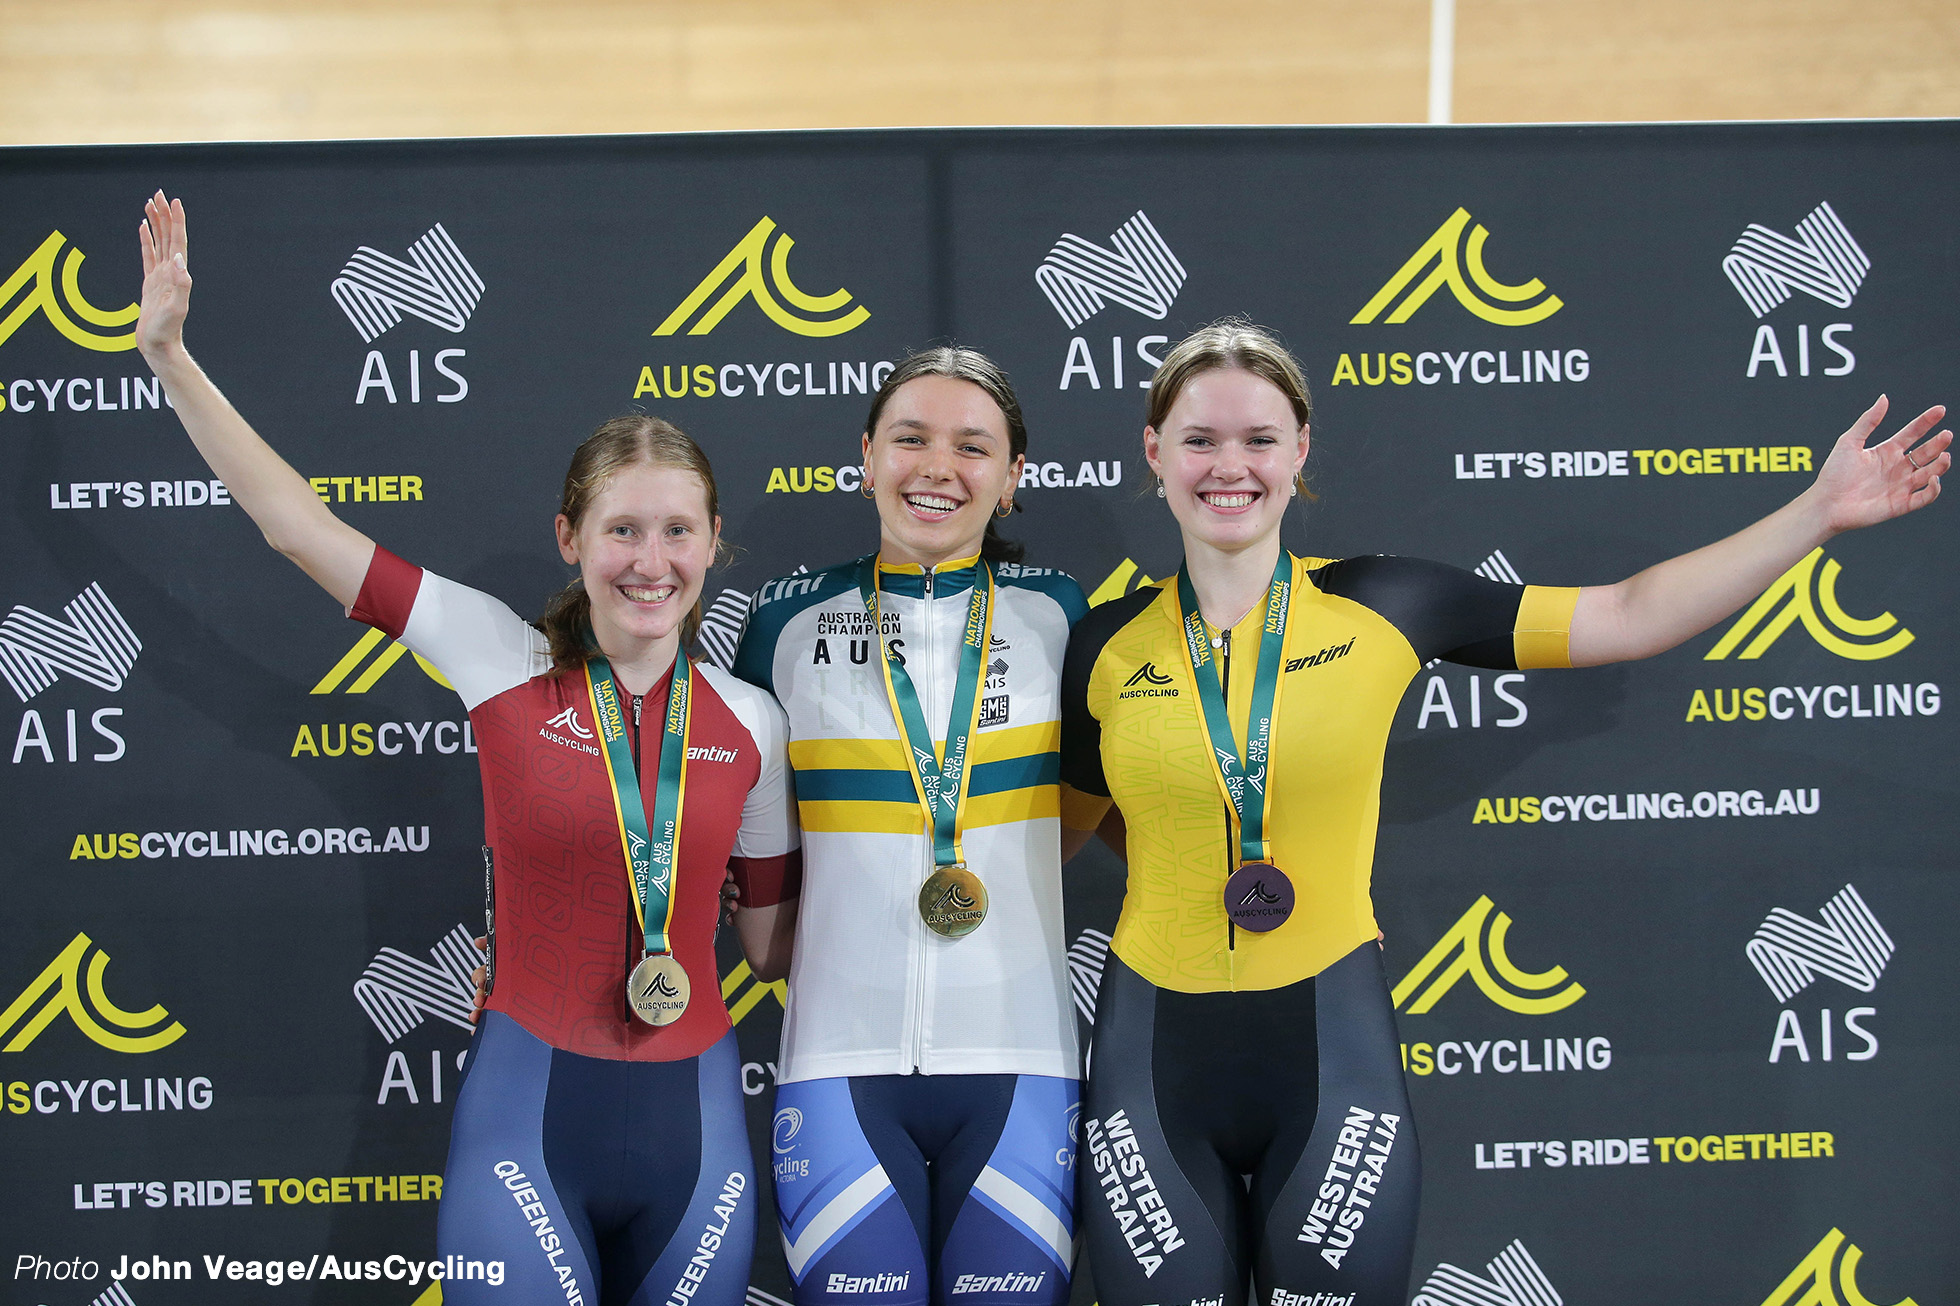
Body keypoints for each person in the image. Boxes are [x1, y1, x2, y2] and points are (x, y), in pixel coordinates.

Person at [1057, 320, 1948, 1306]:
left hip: (1327, 1049)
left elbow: (1628, 612)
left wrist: (1815, 513)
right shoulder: (1100, 645)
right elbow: (1068, 824)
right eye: (1199, 439)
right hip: (1150, 1061)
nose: (1230, 465)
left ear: (1300, 448)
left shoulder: (1385, 603)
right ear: (1153, 451)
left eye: (1258, 438)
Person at [132, 192, 800, 1306]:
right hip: (527, 1117)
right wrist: (170, 355)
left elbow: (774, 949)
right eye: (621, 529)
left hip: (696, 1127)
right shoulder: (496, 654)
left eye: (677, 529)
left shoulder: (754, 720)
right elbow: (294, 525)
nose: (650, 560)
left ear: (715, 541)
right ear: (570, 537)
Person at [732, 349, 1085, 1306]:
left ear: (1012, 480)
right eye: (911, 439)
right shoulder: (785, 623)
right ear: (866, 457)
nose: (938, 467)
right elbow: (712, 815)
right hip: (835, 1066)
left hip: (1022, 1064)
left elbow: (1140, 795)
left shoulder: (1062, 617)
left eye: (974, 447)